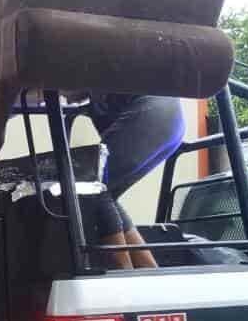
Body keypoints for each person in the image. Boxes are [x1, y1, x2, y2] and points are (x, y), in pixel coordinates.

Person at [75, 93, 185, 270]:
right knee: (104, 192)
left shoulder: (88, 74)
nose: (67, 99)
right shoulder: (98, 102)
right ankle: (151, 273)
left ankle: (124, 276)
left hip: (154, 111)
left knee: (92, 186)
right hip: (167, 116)